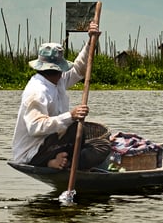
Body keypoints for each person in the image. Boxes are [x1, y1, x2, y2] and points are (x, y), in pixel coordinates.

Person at [11, 22, 111, 171]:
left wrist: (91, 42)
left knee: (102, 146)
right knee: (78, 128)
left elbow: (78, 70)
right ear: (57, 69)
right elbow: (36, 127)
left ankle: (62, 161)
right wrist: (70, 116)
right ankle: (54, 162)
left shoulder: (58, 80)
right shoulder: (37, 92)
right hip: (33, 152)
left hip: (53, 144)